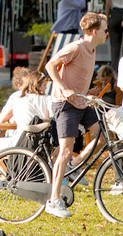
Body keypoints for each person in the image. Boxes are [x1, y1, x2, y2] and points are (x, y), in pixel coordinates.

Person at [43, 12, 109, 218]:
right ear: (95, 31)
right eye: (106, 30)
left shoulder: (91, 50)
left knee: (103, 136)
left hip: (81, 103)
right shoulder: (76, 47)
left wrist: (88, 93)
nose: (108, 33)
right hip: (65, 104)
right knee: (65, 150)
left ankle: (74, 164)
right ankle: (53, 200)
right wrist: (63, 88)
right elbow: (49, 66)